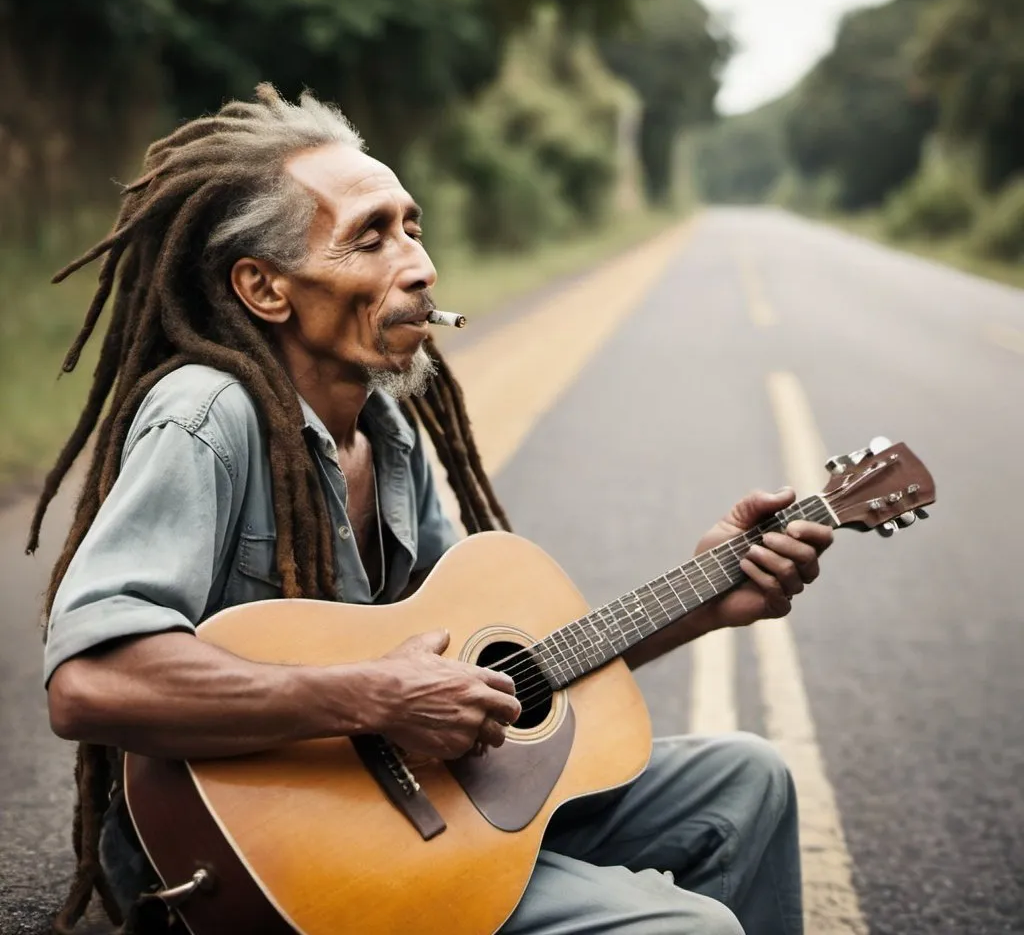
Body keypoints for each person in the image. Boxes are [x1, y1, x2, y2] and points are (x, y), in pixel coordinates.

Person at [35, 85, 833, 935]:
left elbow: (490, 678)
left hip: (400, 811)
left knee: (748, 779)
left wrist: (706, 602)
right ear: (265, 289)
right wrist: (370, 697)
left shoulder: (392, 436)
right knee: (688, 930)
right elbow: (91, 682)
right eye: (370, 237)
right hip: (253, 856)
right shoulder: (207, 416)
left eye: (412, 227)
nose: (419, 265)